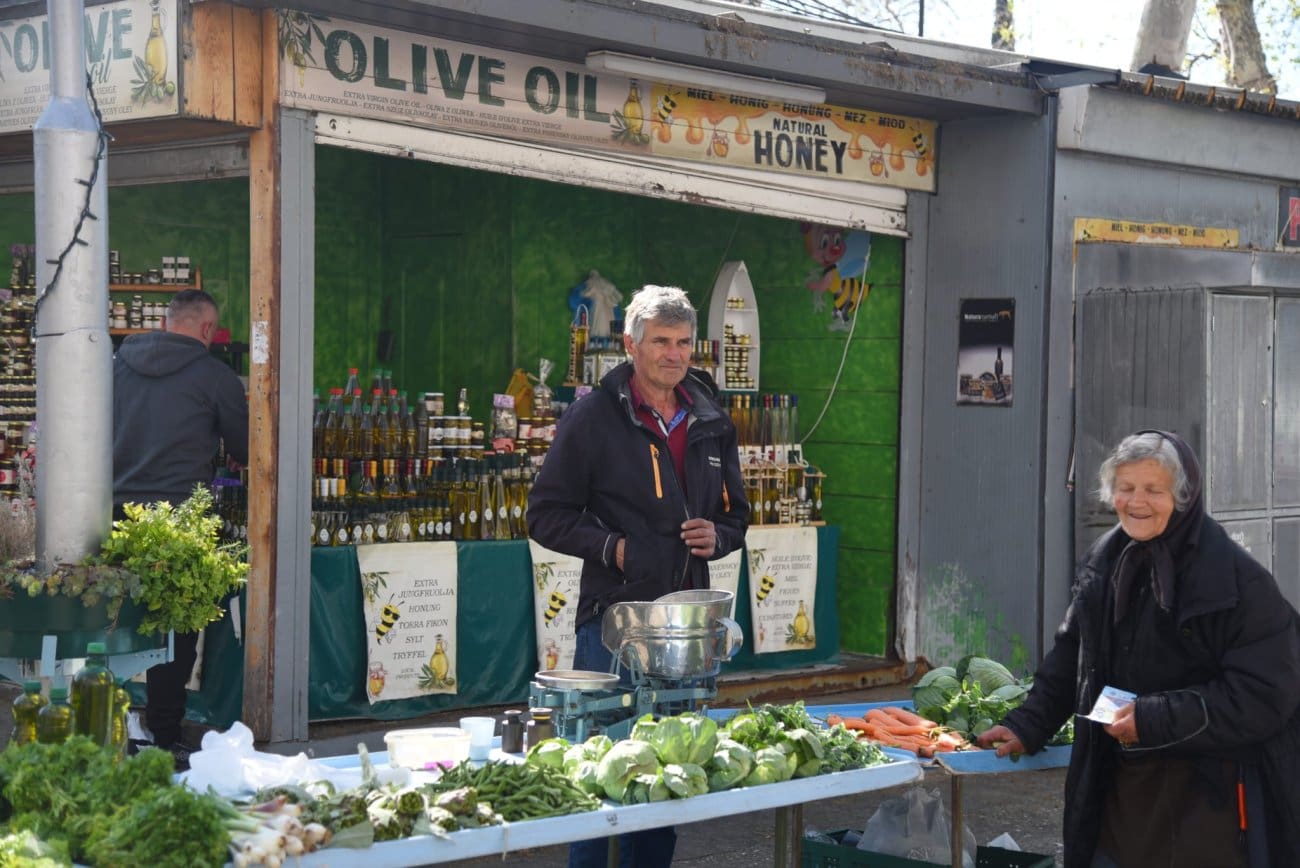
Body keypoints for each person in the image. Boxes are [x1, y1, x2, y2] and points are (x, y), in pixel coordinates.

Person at [976, 430, 1300, 868]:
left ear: (1183, 497)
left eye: (1154, 490)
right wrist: (1028, 724)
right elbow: (1073, 655)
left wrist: (1154, 717)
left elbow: (1266, 694)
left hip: (1209, 796)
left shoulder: (1236, 581)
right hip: (1121, 784)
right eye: (1125, 489)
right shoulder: (1105, 560)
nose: (1137, 502)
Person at [527, 284, 749, 868]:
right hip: (612, 626)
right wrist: (614, 548)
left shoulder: (710, 417)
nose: (673, 355)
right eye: (660, 342)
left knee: (666, 785)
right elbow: (544, 516)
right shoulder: (593, 416)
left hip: (684, 631)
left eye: (683, 343)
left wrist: (719, 536)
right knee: (601, 783)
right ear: (631, 344)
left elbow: (737, 514)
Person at [112, 289, 249, 767]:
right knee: (176, 632)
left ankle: (113, 724)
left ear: (167, 321)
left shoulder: (115, 365)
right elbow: (247, 449)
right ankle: (164, 735)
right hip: (182, 518)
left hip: (114, 516)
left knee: (118, 624)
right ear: (208, 330)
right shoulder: (216, 376)